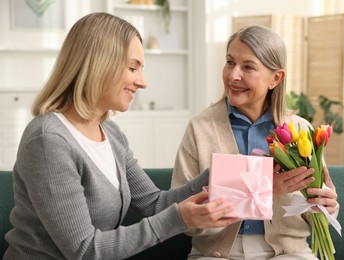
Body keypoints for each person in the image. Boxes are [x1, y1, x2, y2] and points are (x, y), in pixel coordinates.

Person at [3, 12, 240, 260]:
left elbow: (155, 204)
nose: (142, 82)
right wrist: (178, 219)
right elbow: (84, 250)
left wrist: (218, 173)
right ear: (98, 65)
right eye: (132, 68)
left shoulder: (111, 133)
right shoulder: (48, 140)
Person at [171, 25, 339, 260]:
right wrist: (263, 190)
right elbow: (182, 216)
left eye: (247, 66)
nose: (233, 75)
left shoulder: (300, 130)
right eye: (230, 62)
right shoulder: (201, 128)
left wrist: (326, 207)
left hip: (288, 252)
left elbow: (314, 209)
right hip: (215, 253)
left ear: (276, 78)